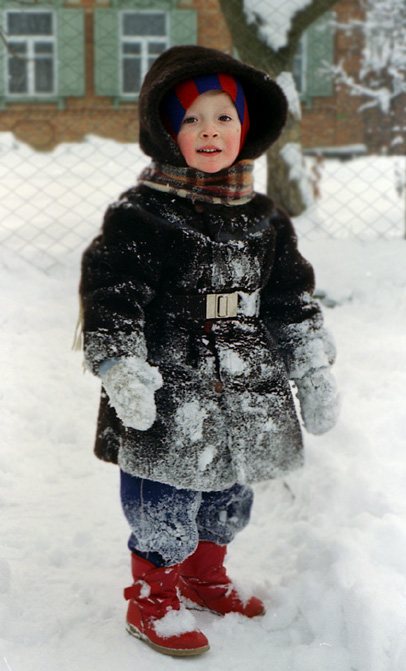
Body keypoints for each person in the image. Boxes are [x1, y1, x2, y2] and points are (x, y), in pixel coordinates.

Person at [79, 45, 339, 657]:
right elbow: (112, 296)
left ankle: (204, 574)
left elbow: (290, 298)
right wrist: (120, 365)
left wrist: (310, 362)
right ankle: (154, 598)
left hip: (248, 382)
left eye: (224, 117)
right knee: (164, 496)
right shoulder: (142, 215)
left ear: (246, 127)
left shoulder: (265, 218)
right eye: (191, 118)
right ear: (167, 131)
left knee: (228, 491)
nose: (209, 131)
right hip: (170, 382)